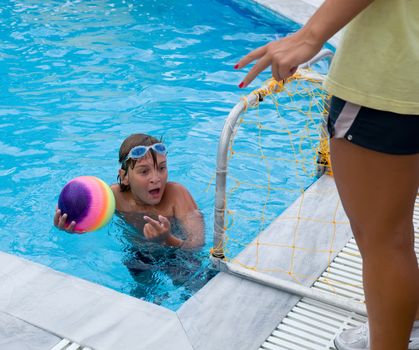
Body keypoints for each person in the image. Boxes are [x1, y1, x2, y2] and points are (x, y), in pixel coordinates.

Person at [235, 0, 419, 349]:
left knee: (383, 242)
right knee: (393, 234)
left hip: (385, 80)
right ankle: (405, 324)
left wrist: (310, 35)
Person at [54, 133, 205, 250]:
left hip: (177, 254)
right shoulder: (113, 198)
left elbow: (197, 245)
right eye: (144, 171)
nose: (156, 178)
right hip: (138, 253)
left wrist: (168, 239)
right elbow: (92, 219)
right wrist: (73, 227)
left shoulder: (177, 195)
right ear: (124, 177)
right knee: (140, 288)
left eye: (161, 168)